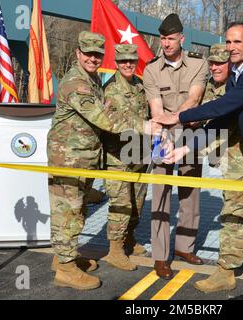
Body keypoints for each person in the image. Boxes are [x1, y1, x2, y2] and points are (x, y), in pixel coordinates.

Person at [153, 22, 243, 300]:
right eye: (228, 42)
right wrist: (185, 149)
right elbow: (222, 120)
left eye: (237, 42)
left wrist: (179, 116)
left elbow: (222, 106)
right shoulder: (237, 77)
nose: (231, 47)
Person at [47, 31, 160, 290]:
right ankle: (65, 269)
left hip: (84, 158)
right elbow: (105, 119)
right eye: (88, 53)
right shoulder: (77, 83)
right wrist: (145, 126)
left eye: (97, 54)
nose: (93, 58)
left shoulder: (93, 79)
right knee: (68, 212)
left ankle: (65, 257)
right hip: (68, 158)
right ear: (77, 53)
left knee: (76, 212)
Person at [143, 13, 209, 279]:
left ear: (181, 38)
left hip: (190, 132)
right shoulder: (151, 69)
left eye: (171, 38)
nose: (166, 43)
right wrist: (165, 138)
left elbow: (194, 99)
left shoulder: (198, 64)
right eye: (162, 38)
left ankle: (184, 247)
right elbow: (156, 109)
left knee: (190, 195)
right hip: (162, 134)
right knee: (160, 197)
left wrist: (176, 122)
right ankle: (160, 256)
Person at [192, 44, 243, 293]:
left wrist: (189, 150)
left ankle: (226, 270)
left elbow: (223, 126)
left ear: (231, 64)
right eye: (212, 63)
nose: (215, 67)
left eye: (220, 63)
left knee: (235, 208)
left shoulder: (237, 87)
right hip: (228, 158)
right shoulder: (211, 85)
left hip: (242, 157)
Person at [102, 44, 149, 271]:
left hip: (139, 156)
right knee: (121, 204)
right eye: (123, 61)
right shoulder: (110, 90)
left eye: (132, 60)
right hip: (117, 158)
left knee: (137, 203)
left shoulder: (139, 86)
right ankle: (115, 249)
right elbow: (110, 124)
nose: (128, 64)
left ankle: (130, 238)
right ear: (116, 63)